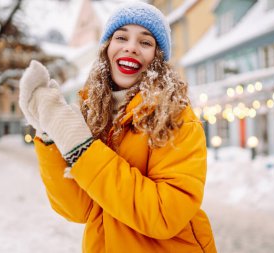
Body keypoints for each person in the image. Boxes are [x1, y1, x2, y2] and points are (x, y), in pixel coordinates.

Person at [18, 2, 217, 252]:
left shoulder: (174, 116)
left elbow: (166, 213)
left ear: (158, 58)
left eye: (145, 42)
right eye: (121, 37)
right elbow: (81, 210)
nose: (131, 47)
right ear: (107, 49)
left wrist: (83, 149)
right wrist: (49, 132)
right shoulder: (94, 114)